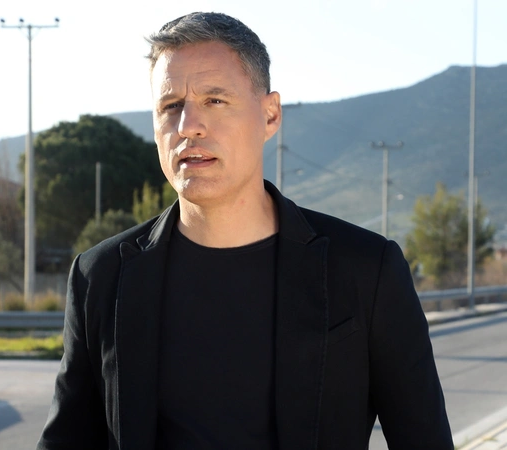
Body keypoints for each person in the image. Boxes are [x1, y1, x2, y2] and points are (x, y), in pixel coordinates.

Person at [37, 12, 453, 449]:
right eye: (170, 106)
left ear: (270, 115)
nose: (188, 125)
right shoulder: (101, 277)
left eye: (215, 100)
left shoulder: (367, 270)